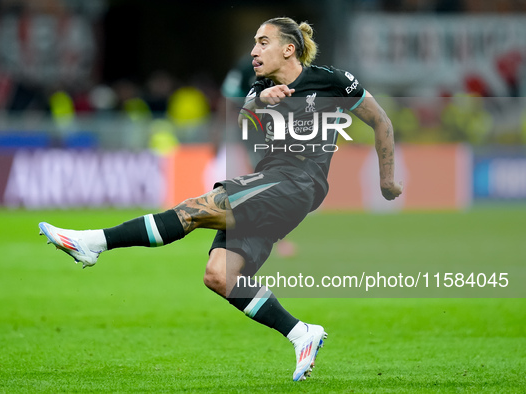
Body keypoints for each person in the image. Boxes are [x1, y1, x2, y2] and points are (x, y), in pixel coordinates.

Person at [39, 17, 403, 382]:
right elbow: (247, 114)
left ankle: (93, 243)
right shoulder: (259, 85)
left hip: (296, 182)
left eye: (263, 42)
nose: (253, 51)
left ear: (288, 49)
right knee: (220, 275)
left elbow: (381, 120)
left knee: (192, 210)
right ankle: (301, 333)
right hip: (269, 182)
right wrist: (262, 98)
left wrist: (386, 179)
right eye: (254, 43)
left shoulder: (332, 81)